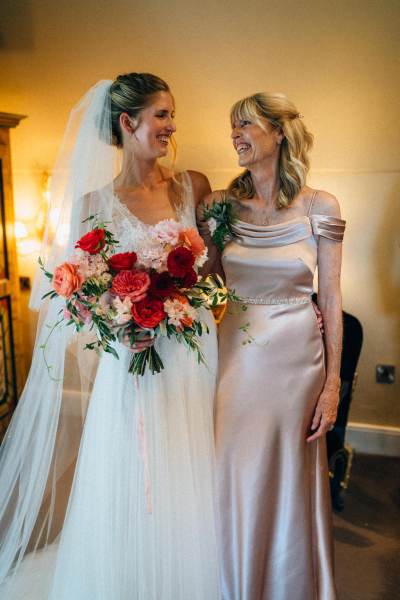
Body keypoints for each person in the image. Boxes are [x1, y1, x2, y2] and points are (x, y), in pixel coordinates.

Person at [0, 74, 221, 599]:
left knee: (187, 466)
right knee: (130, 468)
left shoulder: (194, 186)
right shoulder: (92, 204)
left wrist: (182, 309)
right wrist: (123, 321)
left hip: (187, 357)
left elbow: (215, 281)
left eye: (172, 114)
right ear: (129, 122)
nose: (172, 125)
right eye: (162, 115)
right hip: (129, 362)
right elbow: (79, 301)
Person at [203, 92, 345, 600]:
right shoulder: (220, 205)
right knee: (231, 469)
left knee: (288, 476)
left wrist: (332, 386)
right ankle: (230, 582)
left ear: (279, 133)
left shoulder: (319, 206)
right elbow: (202, 279)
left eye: (246, 125)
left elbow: (329, 296)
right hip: (236, 353)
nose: (235, 135)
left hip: (297, 359)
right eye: (232, 126)